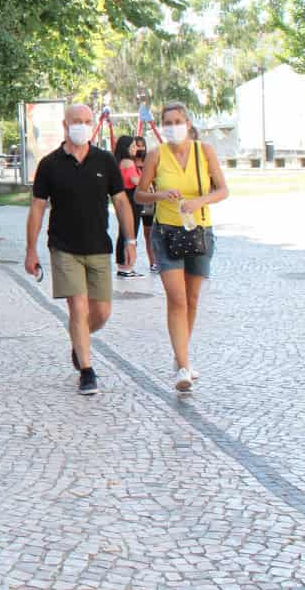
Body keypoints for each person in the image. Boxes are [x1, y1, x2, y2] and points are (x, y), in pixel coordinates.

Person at [24, 104, 136, 396]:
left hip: (98, 246)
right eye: (77, 121)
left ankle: (79, 340)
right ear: (65, 124)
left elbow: (122, 202)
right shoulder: (49, 164)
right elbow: (37, 209)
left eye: (87, 121)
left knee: (101, 311)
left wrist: (131, 240)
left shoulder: (105, 161)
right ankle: (87, 371)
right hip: (64, 246)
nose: (83, 126)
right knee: (78, 305)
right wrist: (30, 250)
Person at [134, 102, 229, 392]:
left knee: (192, 298)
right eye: (167, 122)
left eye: (177, 121)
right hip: (166, 233)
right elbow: (139, 194)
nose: (172, 126)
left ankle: (181, 353)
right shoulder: (155, 155)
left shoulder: (205, 152)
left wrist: (199, 201)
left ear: (187, 123)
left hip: (198, 229)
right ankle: (184, 368)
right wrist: (161, 194)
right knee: (176, 299)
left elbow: (223, 189)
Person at [113, 135, 144, 279]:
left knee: (124, 231)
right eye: (132, 146)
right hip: (131, 198)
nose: (135, 148)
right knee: (130, 231)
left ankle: (124, 265)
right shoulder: (128, 163)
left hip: (127, 197)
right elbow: (135, 180)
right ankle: (126, 265)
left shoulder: (120, 162)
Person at [132, 135, 158, 272]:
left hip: (149, 203)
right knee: (132, 234)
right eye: (137, 145)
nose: (140, 148)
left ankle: (153, 262)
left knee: (150, 234)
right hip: (134, 202)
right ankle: (128, 264)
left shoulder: (149, 161)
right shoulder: (129, 163)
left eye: (142, 145)